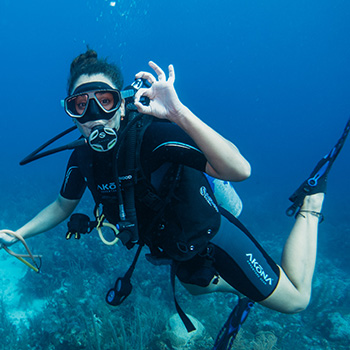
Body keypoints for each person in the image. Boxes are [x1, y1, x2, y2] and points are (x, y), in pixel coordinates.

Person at [0, 49, 345, 348]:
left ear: (121, 104)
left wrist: (179, 114)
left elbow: (240, 170)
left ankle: (310, 203)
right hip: (173, 248)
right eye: (80, 105)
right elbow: (63, 205)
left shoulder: (153, 136)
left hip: (211, 236)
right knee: (195, 287)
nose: (94, 117)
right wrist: (19, 233)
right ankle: (245, 286)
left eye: (104, 101)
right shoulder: (82, 159)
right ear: (71, 113)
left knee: (297, 299)